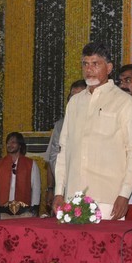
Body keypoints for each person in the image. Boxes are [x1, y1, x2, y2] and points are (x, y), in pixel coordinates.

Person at [56, 42, 132, 263]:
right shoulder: (75, 102)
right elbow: (64, 149)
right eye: (85, 64)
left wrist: (124, 192)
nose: (89, 69)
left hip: (107, 194)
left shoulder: (124, 102)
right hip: (74, 196)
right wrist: (58, 191)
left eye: (95, 63)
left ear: (109, 68)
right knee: (76, 261)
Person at [44, 80, 87, 209]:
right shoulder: (60, 125)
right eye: (71, 97)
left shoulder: (99, 120)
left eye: (78, 97)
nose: (74, 101)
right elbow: (53, 157)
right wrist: (52, 188)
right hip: (64, 186)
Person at [0, 132, 41, 217]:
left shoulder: (31, 164)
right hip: (2, 210)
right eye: (8, 142)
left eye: (13, 142)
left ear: (20, 145)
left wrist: (34, 209)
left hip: (25, 211)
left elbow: (36, 189)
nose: (10, 145)